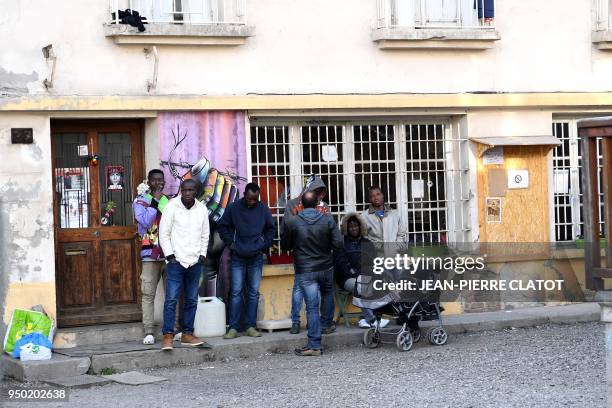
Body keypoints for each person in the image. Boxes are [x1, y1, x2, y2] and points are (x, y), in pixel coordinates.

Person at [282, 191, 343, 356]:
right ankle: (325, 326)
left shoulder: (293, 222)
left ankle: (315, 344)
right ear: (317, 204)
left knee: (312, 306)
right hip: (326, 267)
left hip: (305, 270)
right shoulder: (328, 219)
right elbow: (338, 243)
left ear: (301, 204)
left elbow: (285, 245)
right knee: (327, 294)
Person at [218, 182, 275, 339]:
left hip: (256, 257)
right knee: (235, 292)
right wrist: (231, 244)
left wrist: (263, 244)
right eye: (250, 199)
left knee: (253, 293)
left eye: (255, 199)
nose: (252, 202)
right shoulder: (233, 208)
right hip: (237, 256)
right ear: (244, 195)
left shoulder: (263, 209)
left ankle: (250, 326)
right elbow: (223, 226)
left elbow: (271, 229)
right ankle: (233, 327)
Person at [159, 179, 210, 350]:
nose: (187, 193)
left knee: (191, 300)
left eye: (191, 190)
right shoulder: (172, 207)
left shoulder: (202, 209)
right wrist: (170, 256)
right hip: (176, 261)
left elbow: (205, 234)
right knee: (171, 299)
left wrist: (202, 254)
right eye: (185, 190)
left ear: (196, 192)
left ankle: (187, 334)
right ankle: (168, 335)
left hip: (195, 261)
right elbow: (163, 234)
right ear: (181, 190)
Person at [282, 174, 330, 334]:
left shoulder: (322, 206)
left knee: (305, 289)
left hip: (310, 254)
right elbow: (288, 229)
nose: (321, 195)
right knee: (301, 289)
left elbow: (288, 229)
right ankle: (297, 321)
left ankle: (310, 324)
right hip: (306, 254)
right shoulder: (293, 205)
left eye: (322, 192)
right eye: (318, 192)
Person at [334, 213, 390, 329]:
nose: (353, 228)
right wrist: (357, 275)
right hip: (347, 278)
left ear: (360, 227)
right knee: (362, 285)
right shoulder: (341, 243)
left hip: (366, 276)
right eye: (351, 226)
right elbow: (340, 266)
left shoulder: (367, 243)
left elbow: (374, 263)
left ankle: (364, 319)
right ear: (346, 228)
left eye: (356, 226)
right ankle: (372, 319)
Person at [133, 169, 169, 345]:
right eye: (154, 180)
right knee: (148, 294)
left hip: (170, 254)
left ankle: (172, 328)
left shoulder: (169, 200)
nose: (158, 183)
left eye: (160, 180)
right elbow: (146, 222)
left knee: (173, 294)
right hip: (149, 254)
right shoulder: (140, 200)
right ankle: (148, 331)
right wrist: (154, 201)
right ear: (149, 182)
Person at [361, 186, 408, 251]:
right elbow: (364, 237)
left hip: (394, 253)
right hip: (376, 254)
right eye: (372, 196)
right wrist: (377, 247)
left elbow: (401, 233)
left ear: (382, 195)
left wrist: (397, 245)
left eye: (378, 194)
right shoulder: (364, 216)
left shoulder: (394, 214)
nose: (376, 198)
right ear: (369, 199)